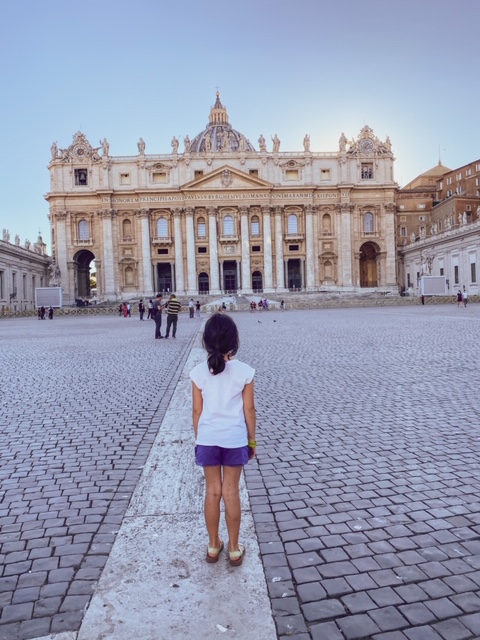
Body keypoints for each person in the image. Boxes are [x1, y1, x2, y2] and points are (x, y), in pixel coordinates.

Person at [190, 313, 256, 566]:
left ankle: (213, 545)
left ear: (206, 342)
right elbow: (249, 410)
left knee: (212, 492)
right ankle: (235, 547)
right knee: (231, 492)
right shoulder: (245, 371)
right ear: (234, 340)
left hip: (208, 439)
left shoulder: (197, 372)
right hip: (234, 439)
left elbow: (196, 411)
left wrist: (200, 438)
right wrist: (252, 441)